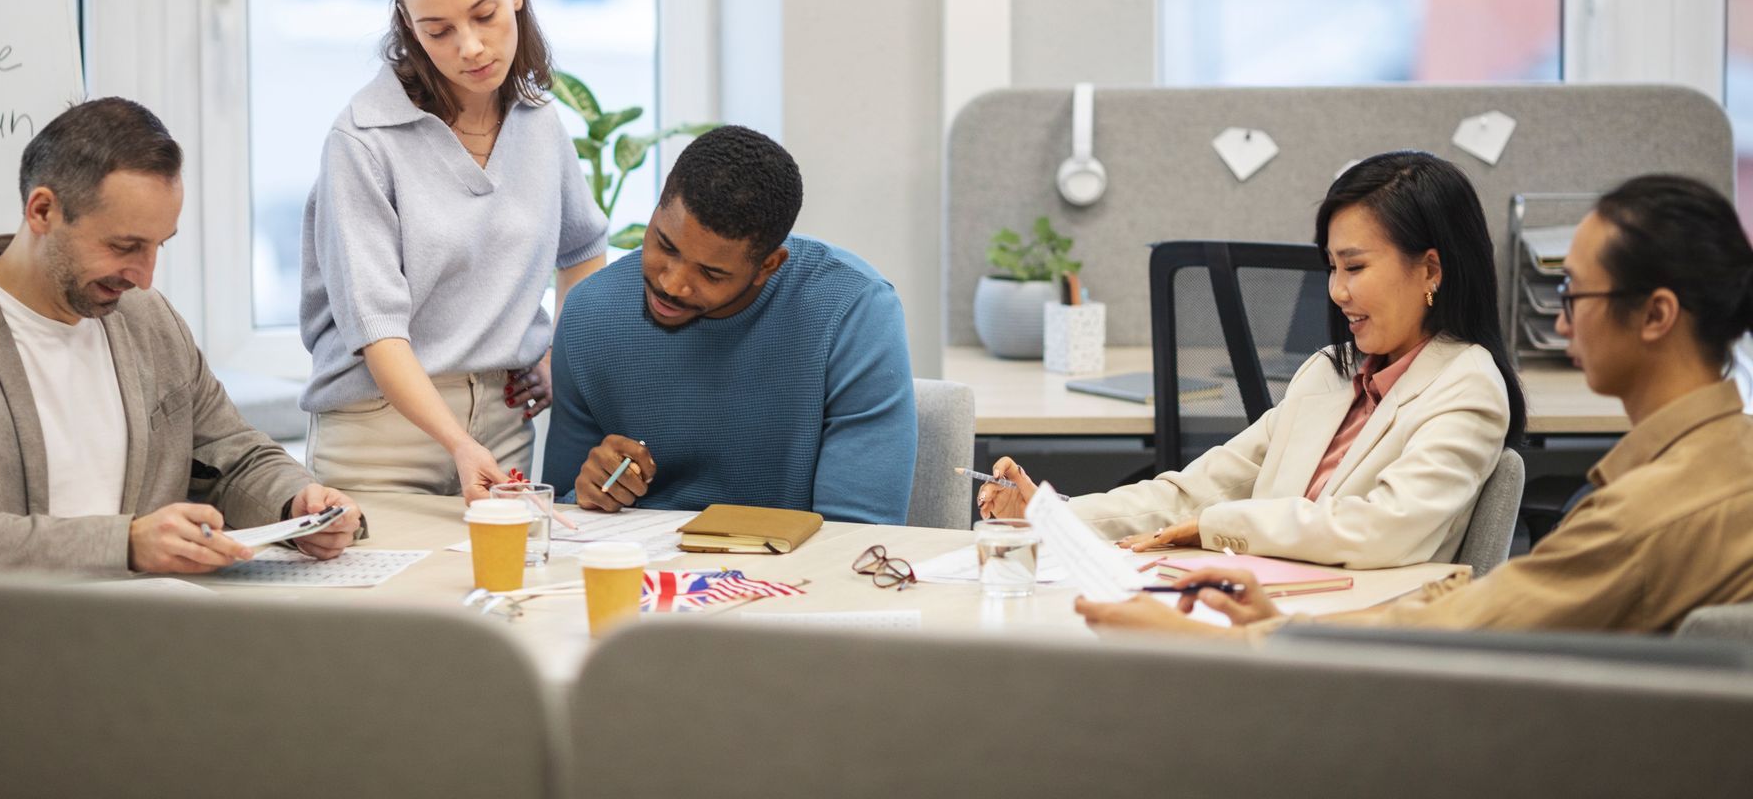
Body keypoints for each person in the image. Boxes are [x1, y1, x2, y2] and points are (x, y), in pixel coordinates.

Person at [1083, 174, 1753, 636]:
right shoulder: (1705, 471)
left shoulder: (1648, 513)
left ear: (1657, 315)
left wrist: (1227, 643)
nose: (1561, 325)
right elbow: (1477, 609)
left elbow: (1473, 630)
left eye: (1574, 295)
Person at [0, 98, 360, 573]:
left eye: (157, 246)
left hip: (144, 628)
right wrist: (124, 545)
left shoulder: (148, 320)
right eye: (124, 245)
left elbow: (231, 452)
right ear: (41, 212)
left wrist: (296, 503)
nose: (144, 277)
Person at [981, 151, 1525, 569]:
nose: (1336, 291)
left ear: (1431, 270)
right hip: (1266, 610)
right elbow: (1195, 492)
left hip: (1359, 644)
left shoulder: (1467, 386)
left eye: (1355, 268)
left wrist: (1214, 528)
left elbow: (1386, 529)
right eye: (1331, 268)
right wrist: (1049, 513)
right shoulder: (1328, 375)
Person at [300, 0, 607, 502]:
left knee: (510, 593)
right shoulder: (361, 142)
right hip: (380, 429)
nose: (469, 46)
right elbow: (377, 329)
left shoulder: (539, 122)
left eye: (484, 15)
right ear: (407, 26)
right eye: (438, 31)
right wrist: (457, 442)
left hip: (503, 420)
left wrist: (556, 358)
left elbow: (585, 249)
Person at [542, 126, 917, 523]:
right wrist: (588, 493)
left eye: (711, 273)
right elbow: (562, 513)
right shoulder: (591, 315)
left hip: (797, 577)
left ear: (767, 267)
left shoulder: (852, 313)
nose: (672, 284)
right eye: (665, 245)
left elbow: (855, 534)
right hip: (640, 575)